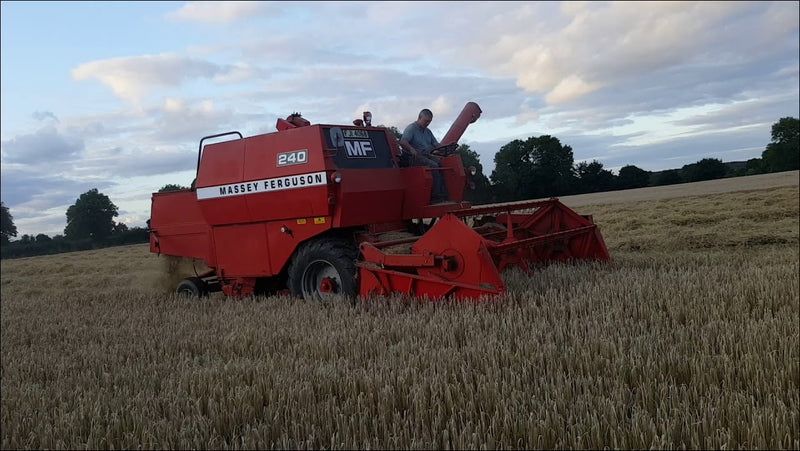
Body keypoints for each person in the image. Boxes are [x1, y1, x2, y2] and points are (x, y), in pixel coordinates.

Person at [398, 109, 449, 203]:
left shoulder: (428, 131)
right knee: (433, 166)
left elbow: (435, 144)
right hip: (413, 158)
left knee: (442, 164)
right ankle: (434, 196)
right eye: (426, 121)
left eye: (429, 122)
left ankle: (444, 193)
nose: (427, 123)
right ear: (419, 118)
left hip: (425, 155)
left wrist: (446, 147)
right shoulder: (411, 129)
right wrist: (411, 149)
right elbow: (403, 142)